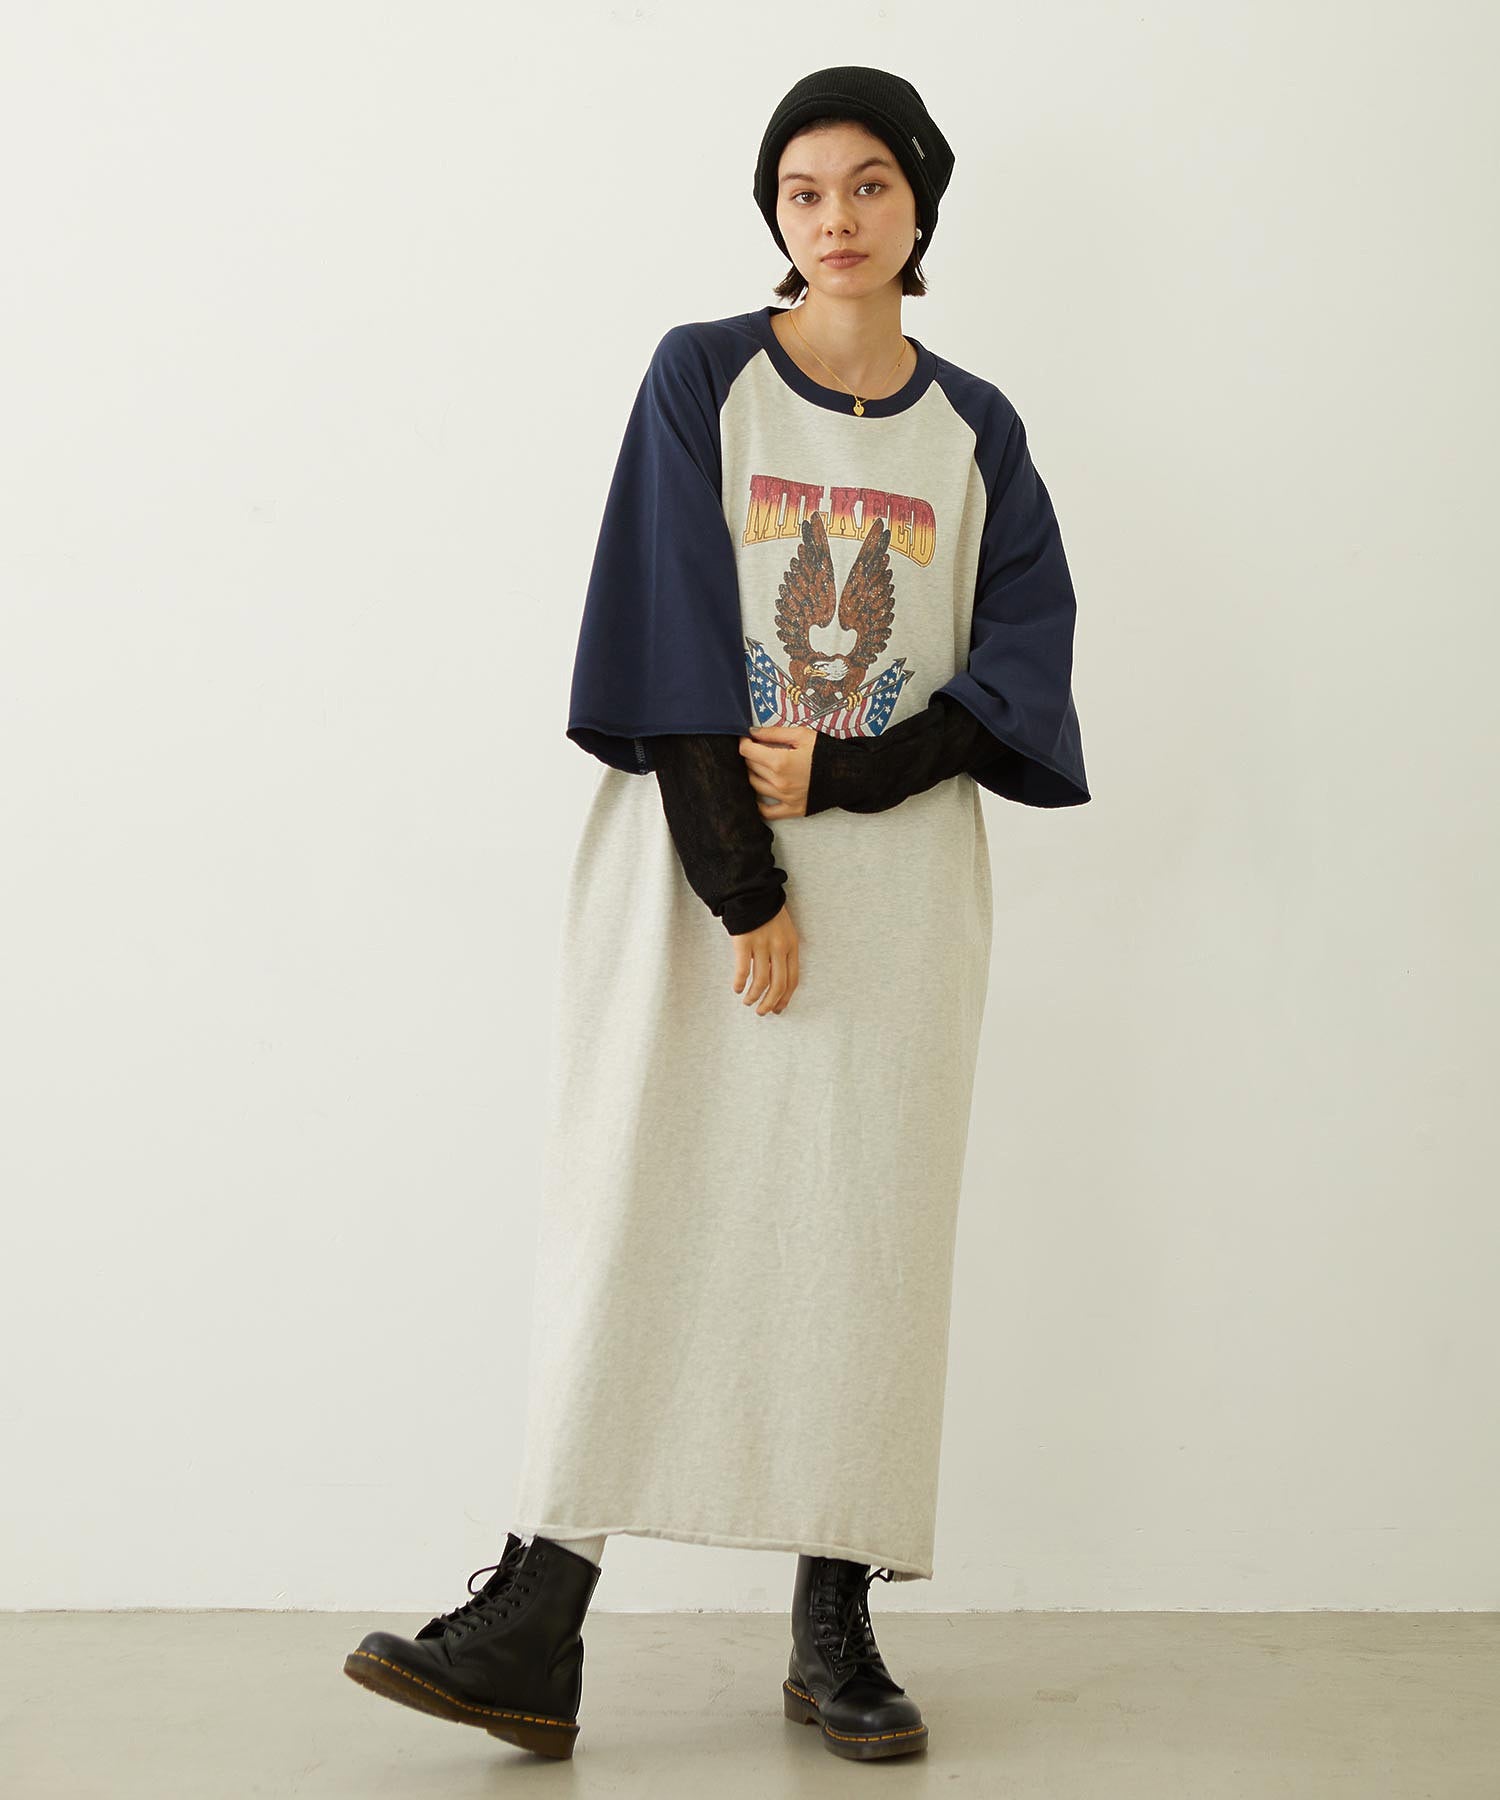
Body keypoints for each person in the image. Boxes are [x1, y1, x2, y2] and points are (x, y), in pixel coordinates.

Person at [344, 65, 1090, 1764]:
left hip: (899, 890)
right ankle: (538, 1611)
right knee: (640, 1207)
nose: (836, 219)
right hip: (692, 867)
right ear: (774, 212)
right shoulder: (703, 378)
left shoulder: (977, 430)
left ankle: (835, 1626)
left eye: (869, 185)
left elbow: (1021, 665)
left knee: (864, 1238)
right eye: (803, 191)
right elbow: (666, 623)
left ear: (920, 203)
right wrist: (746, 885)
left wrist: (852, 776)